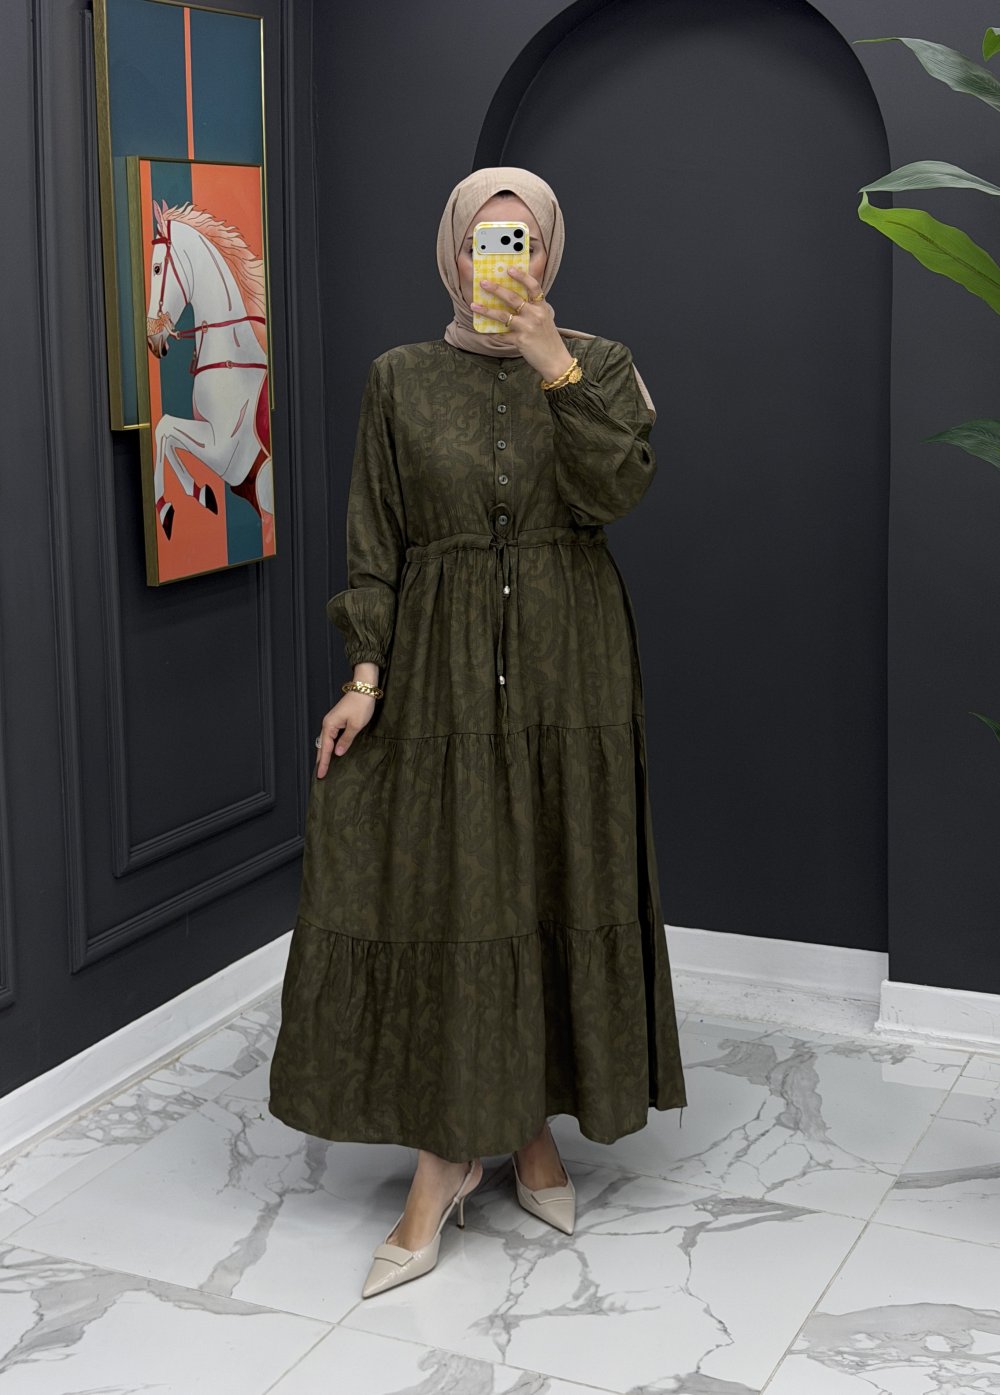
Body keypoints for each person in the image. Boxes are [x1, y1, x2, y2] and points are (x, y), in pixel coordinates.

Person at [267, 166, 687, 1299]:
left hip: (569, 668)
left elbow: (616, 490)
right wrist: (365, 675)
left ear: (549, 251)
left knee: (547, 882)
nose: (503, 259)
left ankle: (529, 1128)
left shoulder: (599, 365)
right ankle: (448, 1155)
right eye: (482, 241)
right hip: (441, 672)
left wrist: (554, 363)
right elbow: (377, 536)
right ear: (452, 253)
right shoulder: (399, 378)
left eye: (523, 240)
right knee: (460, 898)